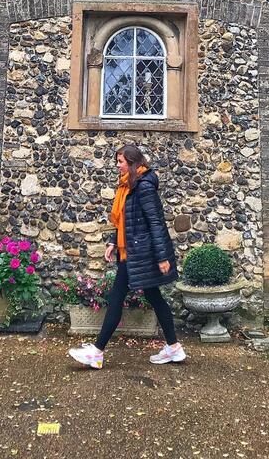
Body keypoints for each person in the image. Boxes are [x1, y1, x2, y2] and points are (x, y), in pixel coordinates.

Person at [68, 144, 186, 369]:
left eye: (120, 162)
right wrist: (113, 241)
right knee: (154, 297)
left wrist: (163, 257)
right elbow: (124, 219)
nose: (117, 166)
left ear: (132, 163)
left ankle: (97, 352)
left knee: (116, 297)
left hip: (140, 253)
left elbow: (156, 222)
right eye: (117, 161)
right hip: (130, 250)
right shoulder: (128, 186)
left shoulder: (144, 187)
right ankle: (173, 347)